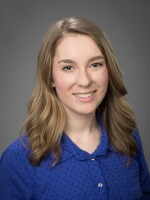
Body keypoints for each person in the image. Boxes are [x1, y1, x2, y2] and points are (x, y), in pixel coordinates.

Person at [0, 17, 150, 200]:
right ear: (50, 78)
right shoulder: (18, 159)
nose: (85, 81)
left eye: (95, 64)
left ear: (109, 69)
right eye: (68, 67)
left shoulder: (128, 135)